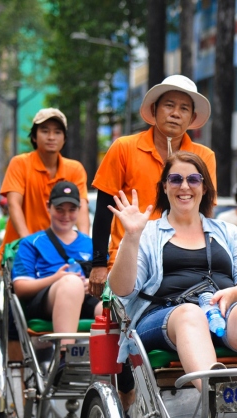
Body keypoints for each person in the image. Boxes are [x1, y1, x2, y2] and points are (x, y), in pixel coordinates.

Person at [107, 151, 237, 390]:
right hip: (165, 318)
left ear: (204, 187)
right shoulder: (148, 233)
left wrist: (232, 294)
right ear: (164, 187)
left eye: (193, 179)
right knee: (189, 314)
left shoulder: (228, 231)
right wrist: (130, 237)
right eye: (175, 179)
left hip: (222, 314)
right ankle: (214, 398)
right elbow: (122, 290)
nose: (184, 186)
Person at [89, 75, 216, 297]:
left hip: (182, 263)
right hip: (128, 262)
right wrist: (99, 263)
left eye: (184, 108)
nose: (175, 113)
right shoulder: (123, 148)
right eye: (169, 105)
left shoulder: (204, 156)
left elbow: (206, 213)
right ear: (155, 109)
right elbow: (103, 209)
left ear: (192, 117)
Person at [0, 108, 88, 266]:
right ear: (34, 136)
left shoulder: (75, 169)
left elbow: (82, 209)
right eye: (45, 131)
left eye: (57, 132)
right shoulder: (20, 164)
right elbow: (14, 204)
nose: (51, 137)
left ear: (64, 138)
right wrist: (29, 245)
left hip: (61, 254)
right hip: (21, 253)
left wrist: (85, 246)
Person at [11, 181, 102, 334]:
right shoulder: (31, 243)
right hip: (45, 300)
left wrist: (93, 284)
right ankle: (65, 354)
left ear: (79, 210)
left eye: (72, 210)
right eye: (60, 209)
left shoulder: (91, 244)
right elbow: (20, 287)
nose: (66, 215)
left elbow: (109, 278)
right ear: (48, 206)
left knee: (112, 308)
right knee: (71, 283)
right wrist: (57, 278)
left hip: (87, 298)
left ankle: (111, 357)